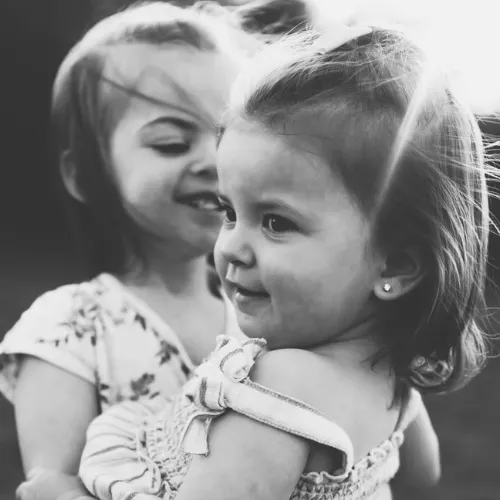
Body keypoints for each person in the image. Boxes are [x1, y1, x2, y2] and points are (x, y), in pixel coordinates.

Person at [77, 20, 493, 500]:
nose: (230, 245)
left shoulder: (281, 385)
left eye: (276, 222)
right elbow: (423, 476)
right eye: (229, 212)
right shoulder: (394, 388)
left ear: (395, 267)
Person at [0, 2, 251, 499]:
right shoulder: (69, 328)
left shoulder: (265, 302)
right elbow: (52, 485)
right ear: (85, 176)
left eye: (232, 137)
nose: (213, 161)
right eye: (172, 142)